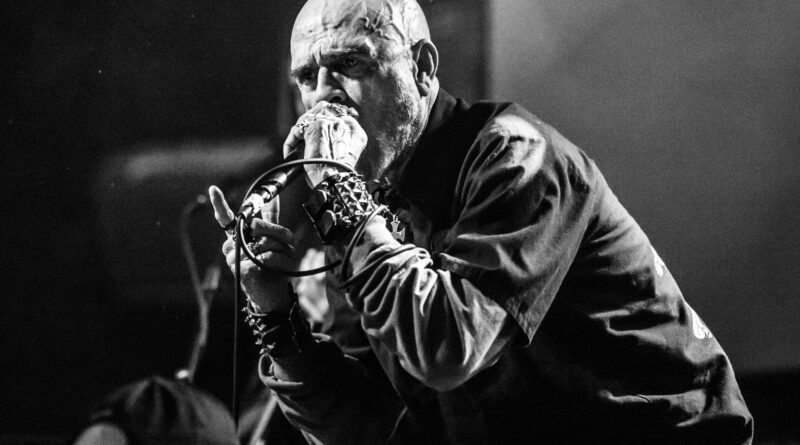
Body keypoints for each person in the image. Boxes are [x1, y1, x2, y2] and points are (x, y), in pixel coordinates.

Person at [209, 0, 754, 443]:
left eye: (351, 63)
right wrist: (275, 315)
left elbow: (449, 349)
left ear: (422, 67)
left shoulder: (515, 158)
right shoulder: (360, 208)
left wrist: (343, 198)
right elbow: (368, 427)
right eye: (307, 77)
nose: (322, 96)